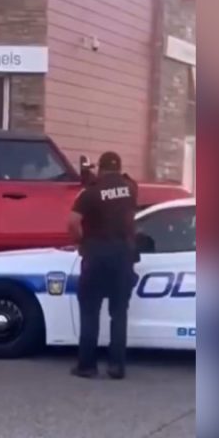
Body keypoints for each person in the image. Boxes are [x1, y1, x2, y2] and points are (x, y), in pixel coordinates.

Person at [68, 151, 137, 379]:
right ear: (118, 167)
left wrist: (81, 242)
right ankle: (117, 367)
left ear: (101, 168)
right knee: (119, 313)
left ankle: (87, 366)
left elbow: (73, 223)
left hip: (96, 254)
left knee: (90, 310)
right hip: (122, 255)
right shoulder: (131, 188)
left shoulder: (89, 193)